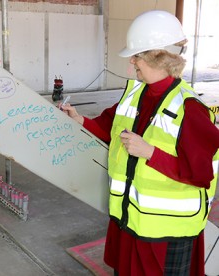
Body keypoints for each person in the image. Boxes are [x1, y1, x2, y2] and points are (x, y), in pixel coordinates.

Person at [61, 10, 219, 275]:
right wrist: (80, 120)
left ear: (159, 57)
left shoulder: (190, 109)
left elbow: (201, 174)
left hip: (166, 233)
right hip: (131, 221)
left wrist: (150, 153)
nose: (131, 62)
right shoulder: (136, 94)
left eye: (137, 56)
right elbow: (111, 126)